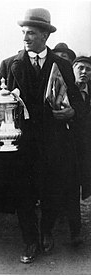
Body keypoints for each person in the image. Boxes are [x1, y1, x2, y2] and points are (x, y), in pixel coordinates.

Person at [0, 8, 85, 263]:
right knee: (23, 194)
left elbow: (78, 105)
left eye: (31, 33)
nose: (25, 37)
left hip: (54, 142)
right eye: (23, 33)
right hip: (21, 144)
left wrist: (72, 112)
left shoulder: (62, 64)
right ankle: (30, 240)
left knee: (52, 191)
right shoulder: (9, 64)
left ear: (44, 35)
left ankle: (46, 232)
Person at [73, 56, 91, 200]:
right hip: (69, 142)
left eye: (88, 69)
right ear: (73, 69)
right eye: (80, 68)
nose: (84, 72)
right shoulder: (65, 90)